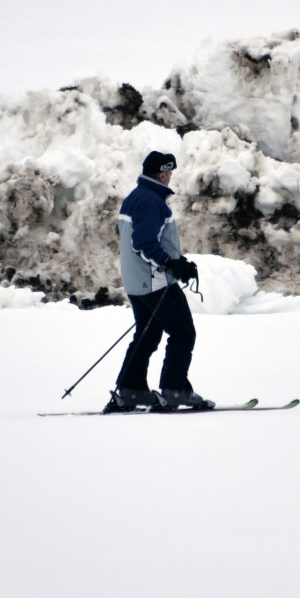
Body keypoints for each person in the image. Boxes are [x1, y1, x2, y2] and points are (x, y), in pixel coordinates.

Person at [107, 151, 214, 413]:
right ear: (162, 173)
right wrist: (168, 264)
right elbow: (143, 243)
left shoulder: (134, 198)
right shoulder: (152, 201)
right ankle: (175, 390)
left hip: (136, 283)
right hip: (155, 282)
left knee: (148, 334)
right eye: (169, 173)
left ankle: (132, 391)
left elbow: (141, 239)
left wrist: (179, 262)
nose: (170, 179)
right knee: (183, 332)